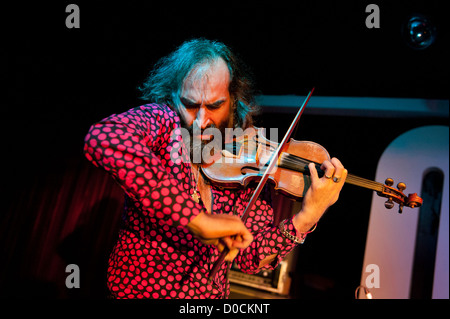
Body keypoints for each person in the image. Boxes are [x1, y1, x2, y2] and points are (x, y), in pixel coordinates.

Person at [83, 38, 347, 299]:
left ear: (233, 100)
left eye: (215, 105)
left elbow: (249, 259)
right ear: (173, 96)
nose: (200, 120)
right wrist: (197, 220)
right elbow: (104, 136)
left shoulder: (249, 163)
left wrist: (307, 217)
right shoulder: (164, 124)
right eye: (189, 104)